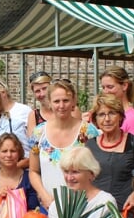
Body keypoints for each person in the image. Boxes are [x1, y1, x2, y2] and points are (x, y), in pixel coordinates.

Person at [29, 79, 99, 210]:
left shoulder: (88, 132)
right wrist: (44, 196)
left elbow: (96, 170)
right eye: (56, 101)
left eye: (66, 100)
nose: (61, 105)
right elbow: (33, 171)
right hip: (48, 206)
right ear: (49, 103)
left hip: (81, 206)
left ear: (73, 101)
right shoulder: (39, 133)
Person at [87, 93, 134, 208]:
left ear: (121, 116)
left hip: (128, 212)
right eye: (101, 114)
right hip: (97, 213)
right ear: (95, 119)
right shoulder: (90, 146)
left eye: (112, 113)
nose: (107, 119)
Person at [99, 67, 134, 136]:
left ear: (124, 86)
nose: (105, 92)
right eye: (103, 87)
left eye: (110, 87)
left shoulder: (133, 119)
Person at [25, 70, 53, 138]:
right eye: (37, 91)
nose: (42, 94)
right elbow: (32, 144)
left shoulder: (66, 110)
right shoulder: (33, 116)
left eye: (45, 88)